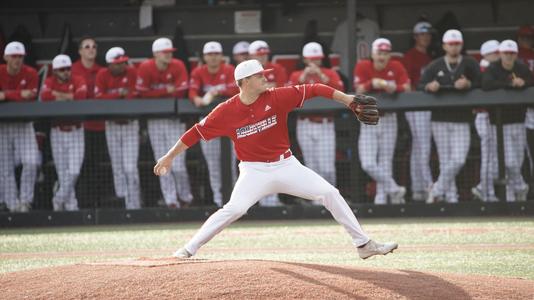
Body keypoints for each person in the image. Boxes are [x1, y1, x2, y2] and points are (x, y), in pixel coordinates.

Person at [153, 59, 396, 260]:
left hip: (286, 165)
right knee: (234, 208)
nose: (265, 78)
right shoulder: (225, 111)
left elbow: (315, 88)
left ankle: (363, 244)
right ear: (245, 82)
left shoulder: (276, 97)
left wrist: (349, 100)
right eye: (259, 76)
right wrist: (168, 157)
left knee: (330, 193)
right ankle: (188, 249)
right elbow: (194, 133)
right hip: (254, 171)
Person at [419, 29, 481, 203]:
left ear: (461, 45)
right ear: (445, 45)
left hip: (462, 118)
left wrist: (468, 83)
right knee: (445, 160)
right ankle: (451, 197)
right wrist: (430, 86)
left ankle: (437, 189)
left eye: (457, 44)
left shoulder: (469, 63)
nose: (454, 47)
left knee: (459, 159)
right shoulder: (435, 64)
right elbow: (420, 85)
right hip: (440, 118)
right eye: (450, 44)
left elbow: (482, 82)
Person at [136, 37, 193, 208]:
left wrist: (156, 92)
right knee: (162, 162)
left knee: (179, 165)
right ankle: (171, 201)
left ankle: (186, 198)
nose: (169, 55)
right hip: (155, 120)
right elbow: (142, 93)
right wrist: (165, 91)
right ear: (155, 54)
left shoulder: (178, 65)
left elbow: (182, 90)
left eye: (170, 52)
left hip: (175, 120)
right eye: (164, 52)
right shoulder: (146, 67)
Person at [354, 38, 410, 205]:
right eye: (379, 53)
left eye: (386, 53)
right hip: (368, 116)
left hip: (389, 117)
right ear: (373, 53)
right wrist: (372, 83)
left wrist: (394, 88)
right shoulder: (363, 66)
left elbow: (407, 88)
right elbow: (358, 90)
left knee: (386, 161)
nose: (382, 56)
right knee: (368, 163)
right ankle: (394, 189)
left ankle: (381, 200)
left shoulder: (396, 66)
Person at [289, 42, 344, 205]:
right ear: (305, 59)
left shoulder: (330, 73)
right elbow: (288, 95)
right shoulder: (296, 75)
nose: (314, 62)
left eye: (317, 59)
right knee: (312, 166)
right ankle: (317, 201)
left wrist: (321, 75)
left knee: (327, 167)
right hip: (305, 123)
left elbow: (340, 90)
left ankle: (332, 199)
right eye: (311, 59)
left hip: (326, 122)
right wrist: (303, 78)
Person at [481, 40, 532, 202]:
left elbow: (531, 82)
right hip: (499, 123)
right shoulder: (493, 68)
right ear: (500, 54)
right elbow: (486, 84)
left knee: (518, 160)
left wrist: (523, 83)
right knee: (509, 161)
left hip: (519, 120)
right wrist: (510, 83)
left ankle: (512, 197)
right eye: (505, 53)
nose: (508, 56)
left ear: (516, 55)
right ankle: (520, 186)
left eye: (512, 53)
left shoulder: (522, 68)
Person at [189, 41, 239, 207]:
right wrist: (196, 99)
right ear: (204, 57)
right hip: (208, 123)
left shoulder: (230, 69)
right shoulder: (198, 71)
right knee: (213, 164)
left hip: (229, 121)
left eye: (216, 54)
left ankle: (233, 200)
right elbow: (192, 92)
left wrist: (216, 91)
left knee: (231, 164)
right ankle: (219, 201)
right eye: (210, 55)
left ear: (221, 56)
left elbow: (236, 88)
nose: (213, 57)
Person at [95, 47, 141, 209]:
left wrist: (122, 95)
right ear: (109, 64)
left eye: (123, 62)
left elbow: (136, 94)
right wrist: (118, 95)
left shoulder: (132, 72)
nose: (122, 66)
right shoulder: (102, 74)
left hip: (130, 124)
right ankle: (122, 200)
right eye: (118, 63)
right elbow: (99, 97)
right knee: (117, 165)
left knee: (129, 167)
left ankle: (134, 204)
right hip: (112, 125)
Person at [41, 54, 88, 211]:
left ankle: (59, 198)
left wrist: (58, 96)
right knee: (62, 173)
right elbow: (45, 96)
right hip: (57, 131)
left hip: (76, 130)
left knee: (74, 171)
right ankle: (71, 206)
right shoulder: (49, 81)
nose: (66, 72)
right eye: (62, 70)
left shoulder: (78, 79)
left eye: (68, 69)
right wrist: (69, 97)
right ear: (55, 71)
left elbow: (81, 96)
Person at [0, 41, 39, 212]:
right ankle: (11, 203)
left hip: (24, 123)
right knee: (4, 166)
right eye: (14, 56)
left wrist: (5, 95)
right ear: (6, 57)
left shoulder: (31, 73)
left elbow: (30, 97)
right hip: (3, 125)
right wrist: (17, 94)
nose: (17, 60)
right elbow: (22, 96)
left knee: (31, 162)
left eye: (20, 57)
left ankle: (25, 201)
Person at [247, 40, 287, 206]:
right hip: (252, 123)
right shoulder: (244, 71)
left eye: (264, 53)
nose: (262, 57)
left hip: (274, 120)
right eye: (259, 54)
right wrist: (265, 88)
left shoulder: (276, 69)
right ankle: (259, 199)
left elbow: (281, 89)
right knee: (255, 162)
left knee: (276, 160)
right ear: (251, 56)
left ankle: (273, 200)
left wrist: (260, 89)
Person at [72, 36, 110, 208]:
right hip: (79, 127)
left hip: (101, 126)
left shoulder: (102, 70)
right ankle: (78, 202)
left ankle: (96, 202)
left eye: (94, 46)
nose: (91, 49)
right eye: (86, 46)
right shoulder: (71, 70)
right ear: (80, 51)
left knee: (97, 165)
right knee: (79, 166)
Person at [402, 21, 434, 201]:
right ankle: (428, 185)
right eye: (422, 34)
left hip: (425, 105)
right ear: (415, 37)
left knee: (418, 147)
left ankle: (418, 188)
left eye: (428, 34)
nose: (425, 37)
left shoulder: (428, 57)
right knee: (423, 146)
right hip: (415, 106)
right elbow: (406, 85)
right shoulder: (410, 56)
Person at [471, 40, 500, 202]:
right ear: (487, 55)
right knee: (489, 155)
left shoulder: (498, 70)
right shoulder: (482, 69)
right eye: (495, 53)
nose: (498, 56)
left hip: (497, 117)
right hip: (484, 116)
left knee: (495, 156)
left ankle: (485, 189)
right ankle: (485, 191)